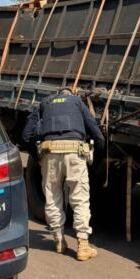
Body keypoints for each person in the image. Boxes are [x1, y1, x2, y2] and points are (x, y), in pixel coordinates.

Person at [22, 87, 105, 261]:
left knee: (52, 197)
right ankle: (83, 246)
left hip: (49, 154)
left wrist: (36, 156)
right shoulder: (77, 102)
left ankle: (59, 241)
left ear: (57, 94)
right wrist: (97, 159)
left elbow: (26, 135)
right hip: (75, 154)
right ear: (71, 94)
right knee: (80, 198)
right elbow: (96, 133)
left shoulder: (44, 103)